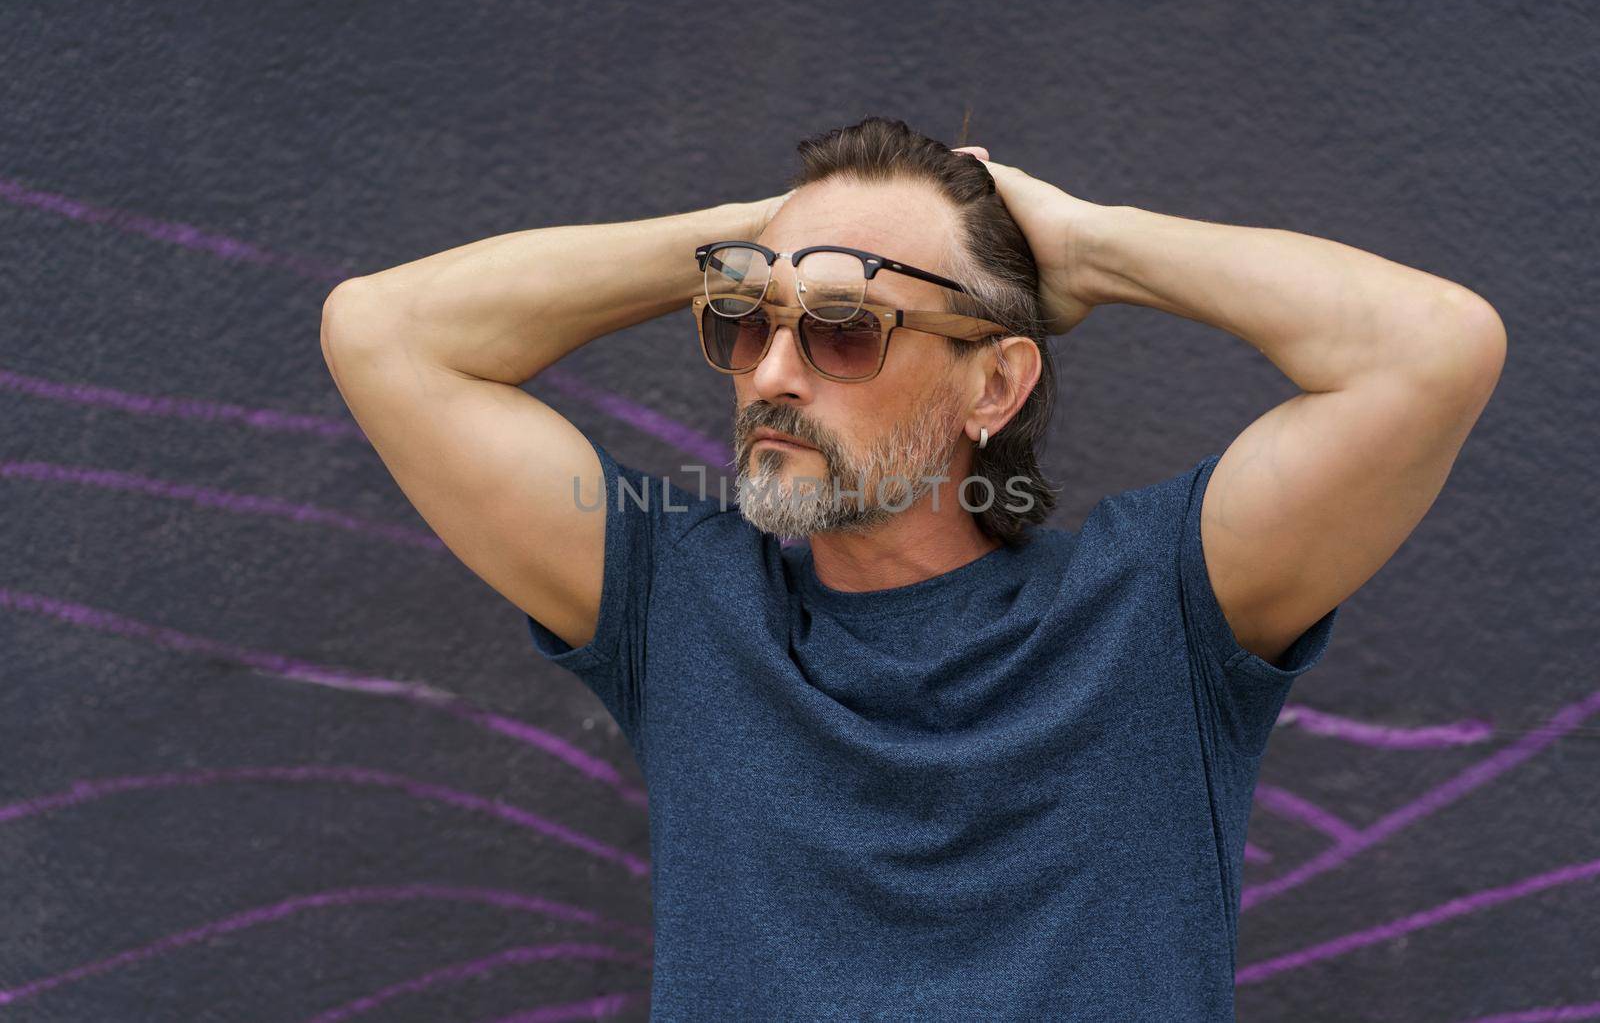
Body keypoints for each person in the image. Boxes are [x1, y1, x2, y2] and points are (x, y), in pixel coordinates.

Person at [319, 116, 1505, 1020]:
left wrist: (1089, 246)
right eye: (745, 316)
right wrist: (758, 231)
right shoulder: (680, 611)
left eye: (842, 325)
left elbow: (1432, 347)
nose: (773, 370)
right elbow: (385, 331)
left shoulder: (1160, 613)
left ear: (993, 385)